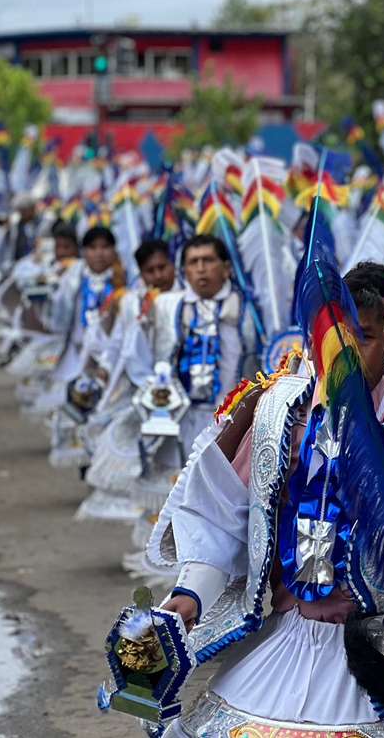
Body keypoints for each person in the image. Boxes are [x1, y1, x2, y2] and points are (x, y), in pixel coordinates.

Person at [148, 272, 384, 736]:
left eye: (362, 338)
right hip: (284, 641)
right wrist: (191, 592)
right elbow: (223, 513)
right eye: (331, 341)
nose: (344, 356)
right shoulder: (277, 414)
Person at [123, 234, 259, 581]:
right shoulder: (167, 307)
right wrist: (154, 398)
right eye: (193, 262)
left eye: (208, 261)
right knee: (178, 491)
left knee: (222, 497)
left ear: (226, 267)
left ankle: (219, 570)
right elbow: (137, 353)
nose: (200, 269)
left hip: (232, 423)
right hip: (179, 418)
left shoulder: (248, 310)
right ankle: (177, 566)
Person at [78, 239, 178, 521]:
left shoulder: (185, 300)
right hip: (147, 391)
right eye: (150, 271)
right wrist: (106, 370)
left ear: (173, 266)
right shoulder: (133, 303)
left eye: (162, 267)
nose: (158, 275)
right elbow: (122, 345)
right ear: (141, 274)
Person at [42, 225, 126, 468]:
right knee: (76, 410)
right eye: (92, 248)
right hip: (78, 355)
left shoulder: (123, 279)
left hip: (113, 360)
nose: (99, 253)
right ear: (84, 251)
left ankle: (102, 465)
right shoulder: (74, 277)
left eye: (105, 247)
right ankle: (86, 464)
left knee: (108, 414)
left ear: (114, 250)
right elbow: (59, 317)